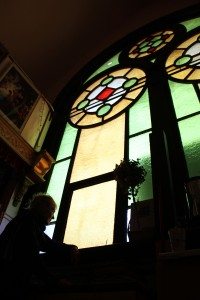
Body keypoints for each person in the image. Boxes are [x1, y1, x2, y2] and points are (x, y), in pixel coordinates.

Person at [0, 193, 79, 299]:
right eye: (52, 210)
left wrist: (70, 248)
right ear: (42, 208)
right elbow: (32, 258)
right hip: (9, 280)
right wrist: (54, 281)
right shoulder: (28, 223)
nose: (53, 216)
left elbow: (49, 244)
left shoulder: (27, 222)